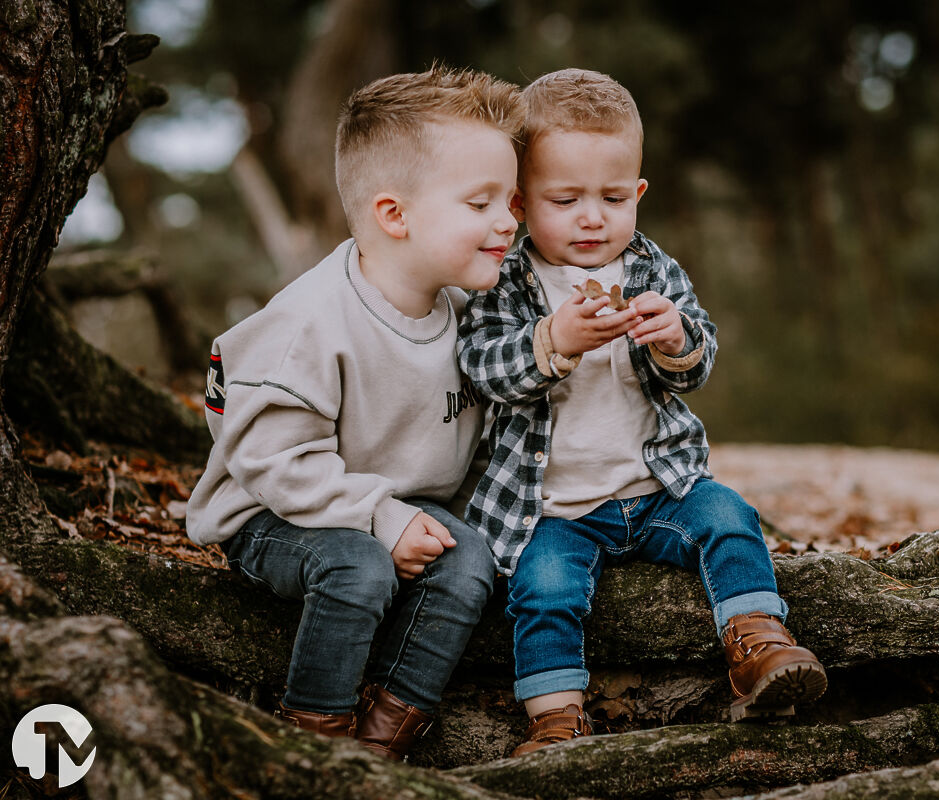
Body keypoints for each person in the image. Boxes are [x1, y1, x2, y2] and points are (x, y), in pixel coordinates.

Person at [457, 68, 827, 756]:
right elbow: (482, 367)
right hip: (555, 509)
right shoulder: (505, 277)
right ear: (519, 201)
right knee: (542, 591)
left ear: (640, 193)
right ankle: (555, 717)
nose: (593, 217)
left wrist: (677, 340)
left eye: (613, 197)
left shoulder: (653, 269)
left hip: (660, 490)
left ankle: (758, 643)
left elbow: (701, 358)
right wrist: (552, 343)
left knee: (729, 517)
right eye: (565, 199)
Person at [186, 65, 523, 761]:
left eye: (511, 201)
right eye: (481, 203)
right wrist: (380, 517)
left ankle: (385, 736)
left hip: (390, 510)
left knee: (471, 565)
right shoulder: (310, 324)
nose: (508, 221)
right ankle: (314, 738)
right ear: (394, 215)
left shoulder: (469, 316)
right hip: (274, 515)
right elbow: (272, 464)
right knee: (359, 566)